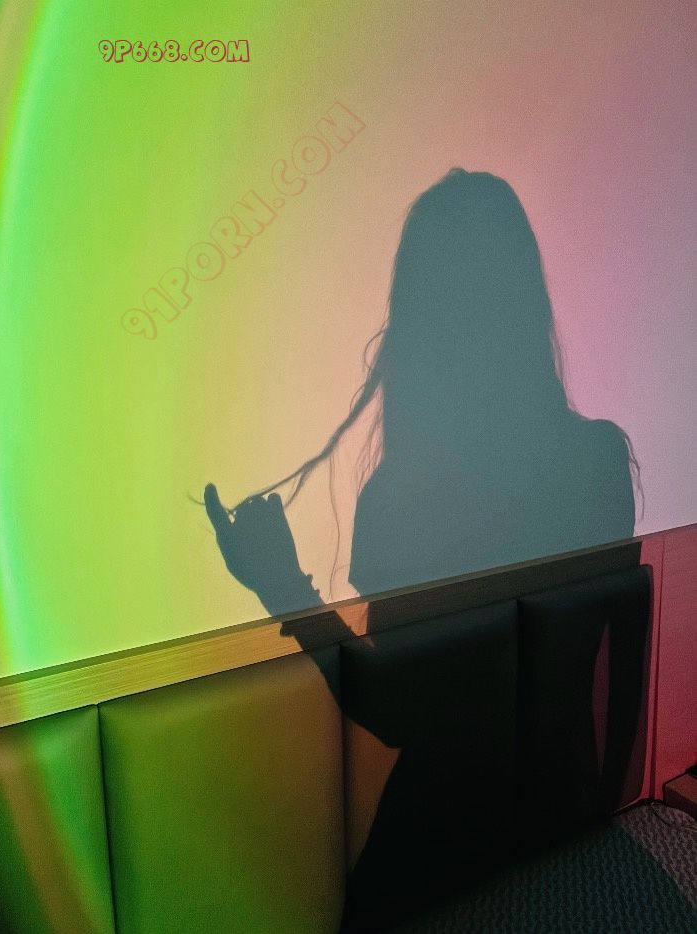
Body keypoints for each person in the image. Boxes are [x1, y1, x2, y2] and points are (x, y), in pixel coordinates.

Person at [204, 169, 640, 930]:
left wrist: (284, 589)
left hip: (434, 861)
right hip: (561, 839)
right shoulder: (596, 462)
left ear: (418, 320)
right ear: (523, 300)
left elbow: (400, 712)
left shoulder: (398, 497)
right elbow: (617, 686)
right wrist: (604, 835)